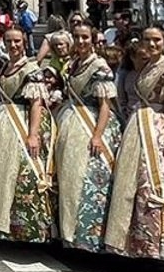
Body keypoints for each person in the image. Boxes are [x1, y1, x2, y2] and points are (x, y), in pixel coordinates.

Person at [103, 26, 164, 266]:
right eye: (147, 40)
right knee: (136, 184)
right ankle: (141, 244)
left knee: (160, 183)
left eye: (156, 40)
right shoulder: (147, 66)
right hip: (141, 127)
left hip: (161, 131)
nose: (152, 44)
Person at [51, 23, 120, 253]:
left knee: (87, 179)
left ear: (92, 39)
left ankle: (89, 237)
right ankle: (68, 233)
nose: (81, 41)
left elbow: (105, 105)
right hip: (70, 123)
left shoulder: (99, 66)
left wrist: (97, 136)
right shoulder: (74, 64)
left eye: (85, 37)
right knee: (68, 179)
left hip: (91, 125)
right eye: (77, 37)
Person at [0, 26, 54, 244]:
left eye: (17, 41)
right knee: (0, 172)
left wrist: (33, 134)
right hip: (2, 123)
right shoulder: (5, 65)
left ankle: (26, 229)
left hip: (22, 123)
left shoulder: (31, 68)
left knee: (23, 173)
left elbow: (36, 103)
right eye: (9, 42)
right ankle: (1, 224)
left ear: (24, 42)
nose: (13, 45)